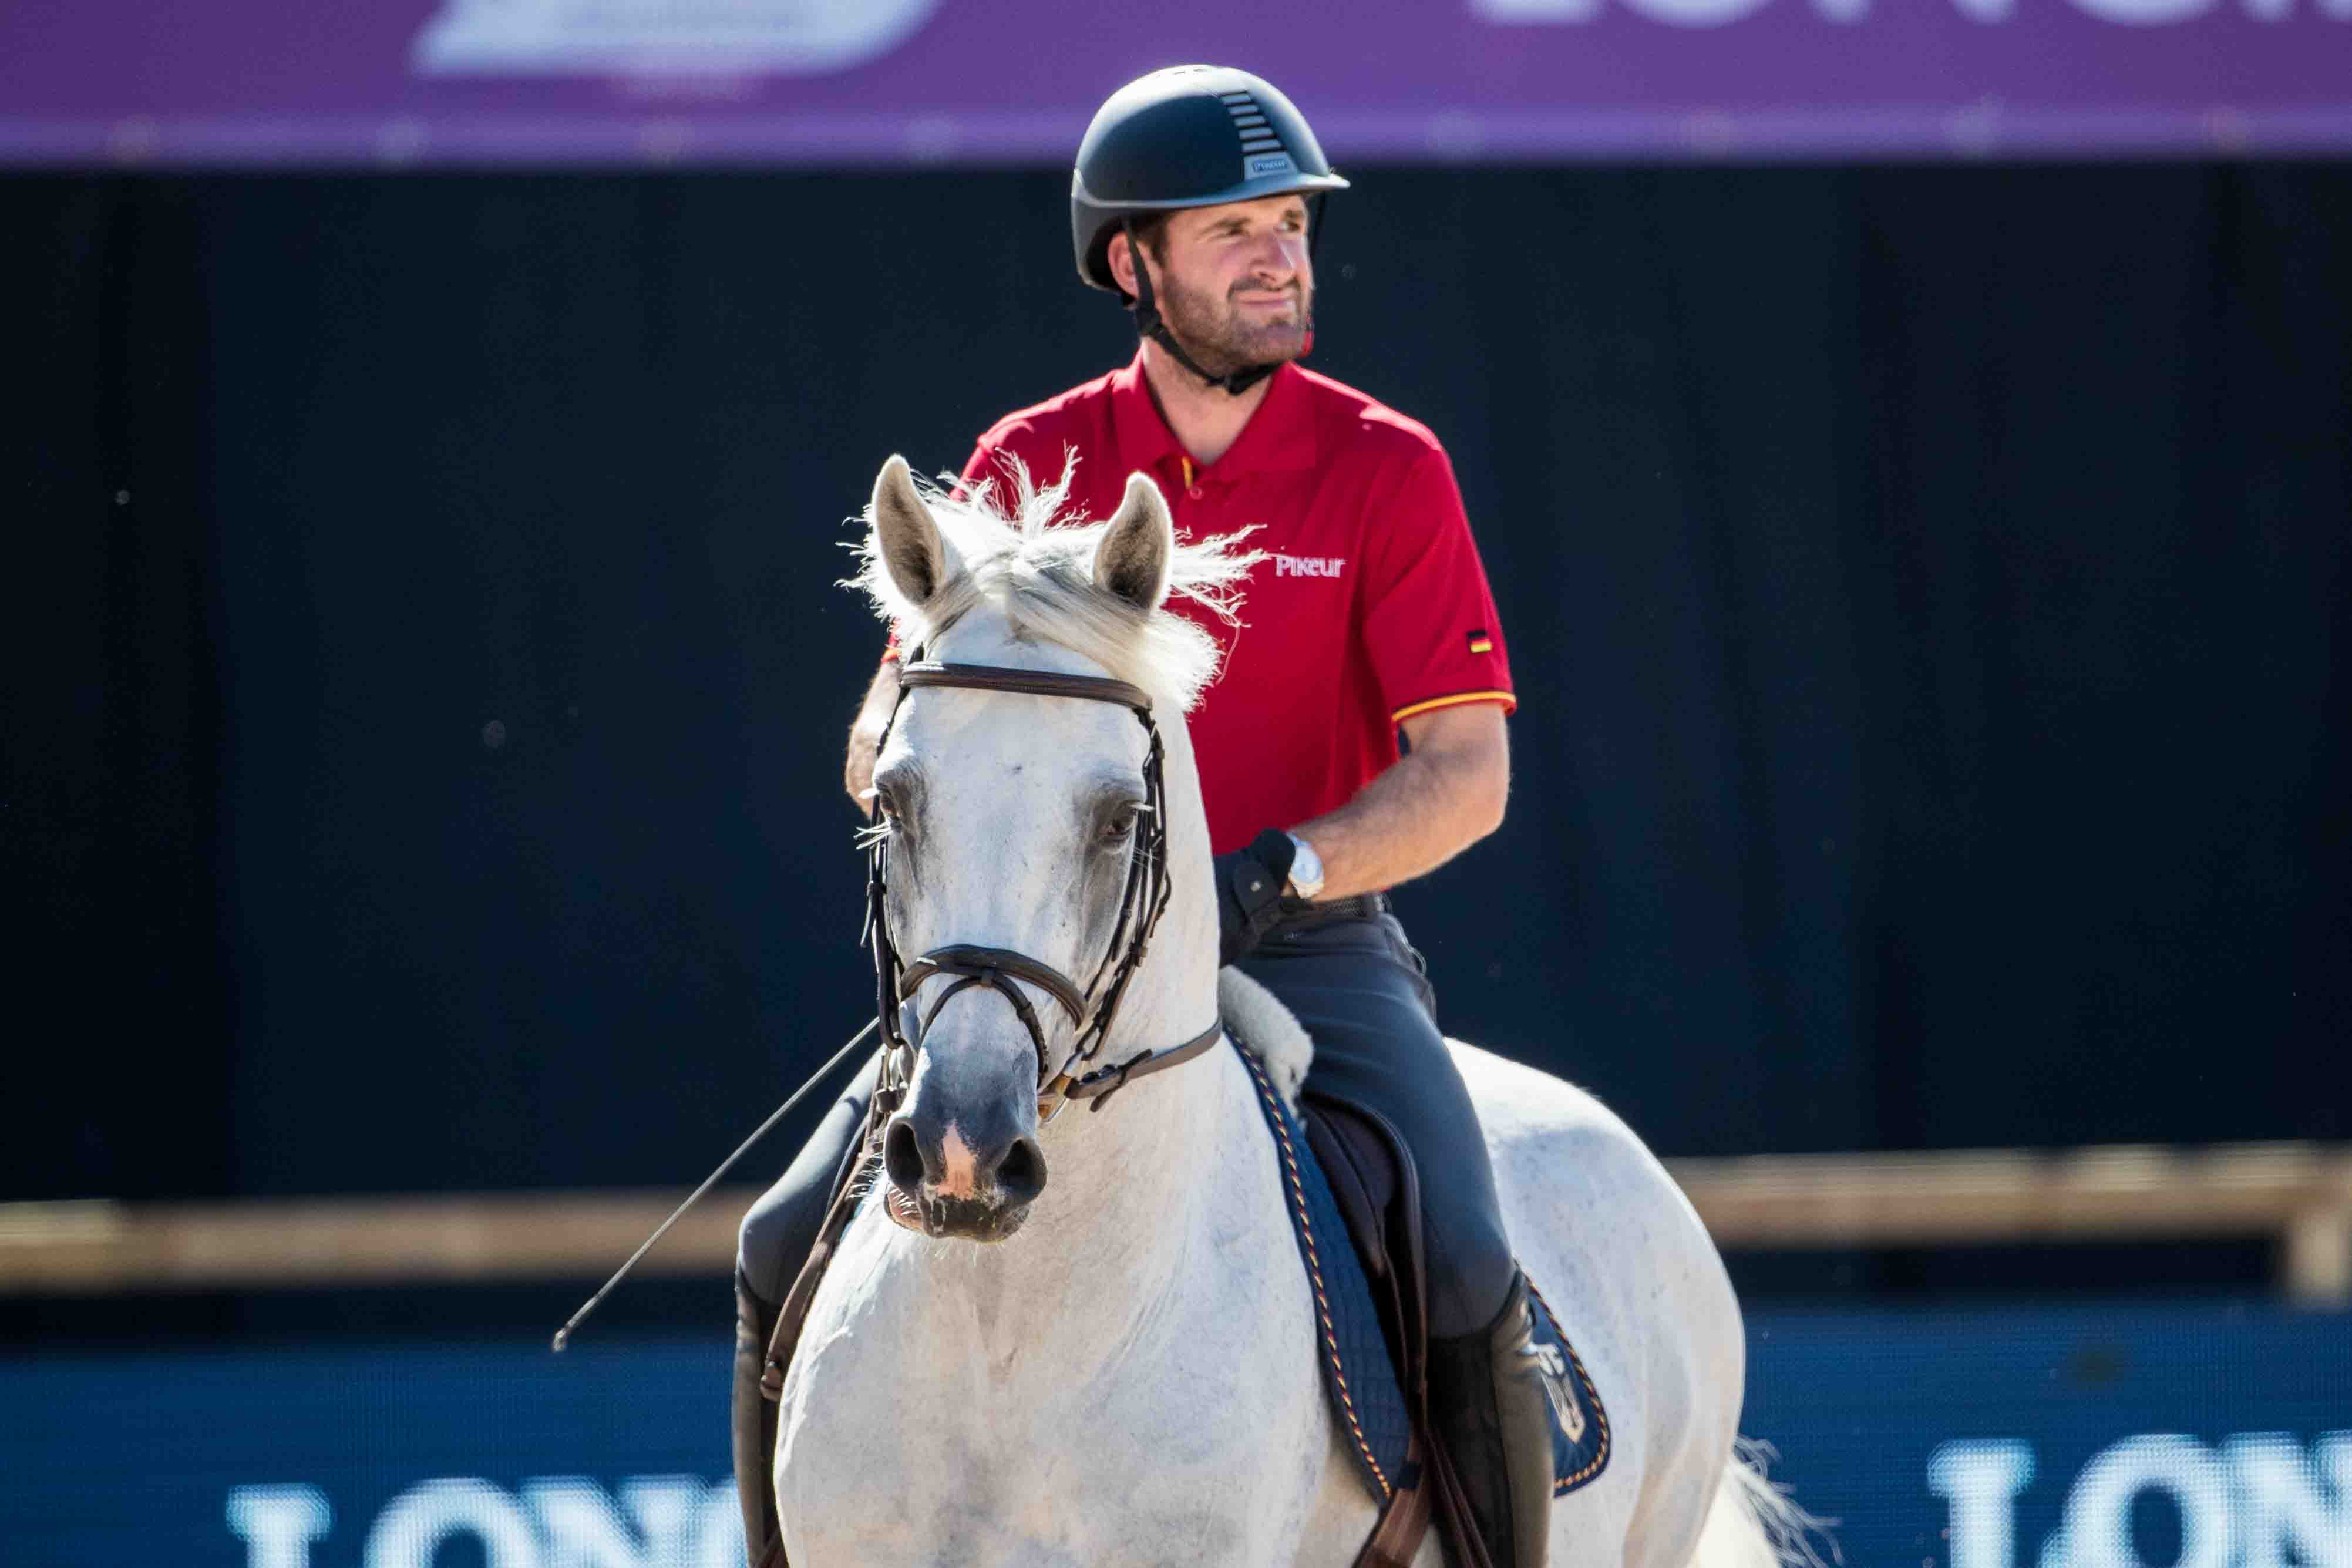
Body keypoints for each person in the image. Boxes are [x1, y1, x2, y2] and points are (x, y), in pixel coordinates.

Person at [733, 64, 1554, 1568]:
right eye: (1235, 230)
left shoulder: (1389, 466)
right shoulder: (1024, 461)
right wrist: (909, 771)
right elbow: (880, 725)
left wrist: (1283, 871)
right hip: (1031, 956)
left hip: (1303, 939)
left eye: (1293, 226)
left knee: (1463, 1256)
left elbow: (1465, 777)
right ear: (1132, 263)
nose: (1282, 259)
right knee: (777, 1236)